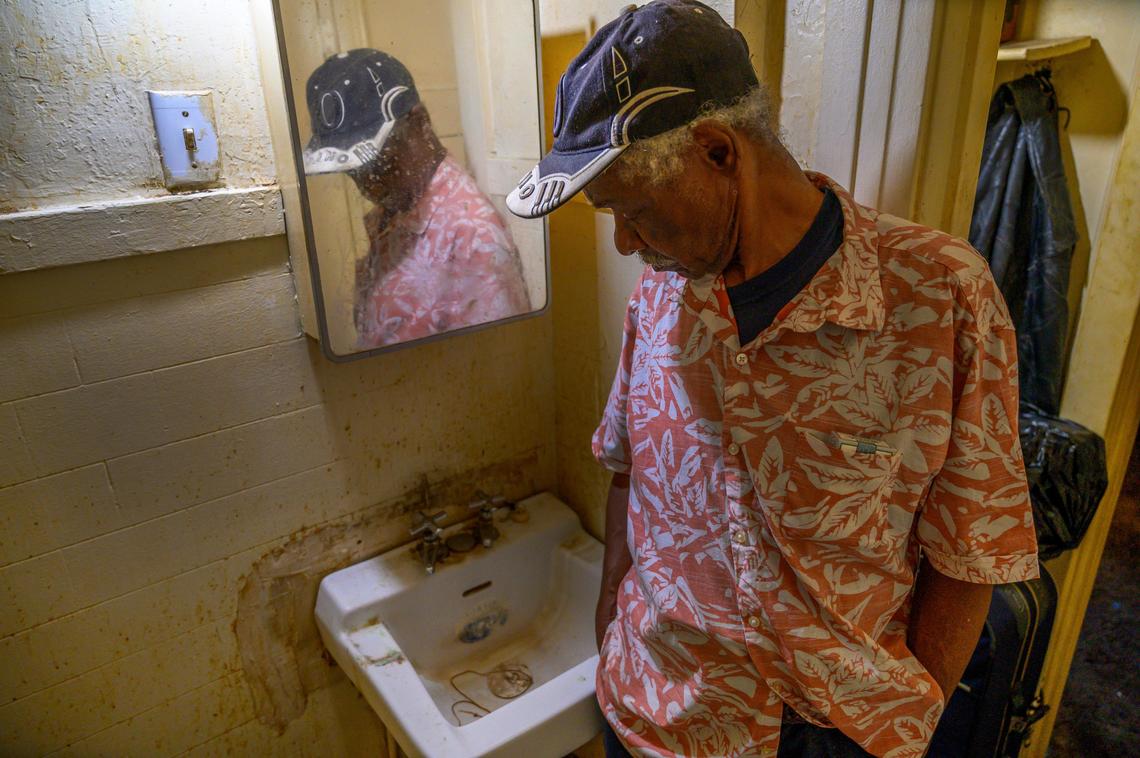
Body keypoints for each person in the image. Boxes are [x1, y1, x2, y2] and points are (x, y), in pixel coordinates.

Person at [506, 2, 1039, 756]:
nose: (624, 241)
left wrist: (906, 719)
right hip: (654, 716)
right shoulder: (659, 295)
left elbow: (972, 547)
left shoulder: (939, 298)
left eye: (632, 210)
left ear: (720, 153)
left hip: (830, 736)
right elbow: (628, 471)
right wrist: (610, 638)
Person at [303, 49, 531, 349]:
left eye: (377, 161)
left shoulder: (473, 238)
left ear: (419, 123)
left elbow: (503, 364)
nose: (365, 182)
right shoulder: (397, 210)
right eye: (352, 170)